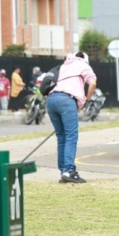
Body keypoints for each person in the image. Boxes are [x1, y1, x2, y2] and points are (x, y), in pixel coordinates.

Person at [46, 52, 97, 183]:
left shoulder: (64, 65)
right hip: (66, 100)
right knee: (71, 136)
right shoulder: (84, 65)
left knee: (61, 137)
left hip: (51, 100)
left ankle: (63, 171)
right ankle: (69, 170)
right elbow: (92, 84)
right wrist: (86, 99)